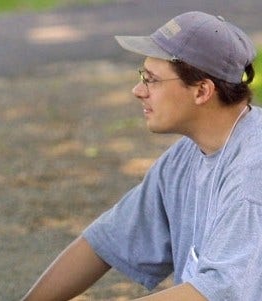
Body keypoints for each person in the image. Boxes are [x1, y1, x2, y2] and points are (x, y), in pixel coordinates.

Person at [22, 11, 260, 301]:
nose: (138, 91)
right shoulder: (185, 156)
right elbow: (104, 241)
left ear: (201, 91)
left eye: (152, 80)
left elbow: (216, 294)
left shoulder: (251, 174)